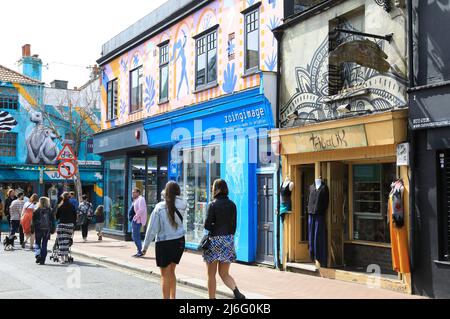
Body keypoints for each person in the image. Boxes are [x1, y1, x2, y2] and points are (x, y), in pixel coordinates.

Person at [142, 181, 187, 299]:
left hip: (164, 243)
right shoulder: (183, 204)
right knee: (172, 271)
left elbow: (152, 228)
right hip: (179, 241)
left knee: (165, 275)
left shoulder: (159, 207)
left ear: (165, 192)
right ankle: (173, 297)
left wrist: (145, 246)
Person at [203, 179, 246, 299]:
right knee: (224, 273)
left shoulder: (213, 204)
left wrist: (214, 226)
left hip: (214, 241)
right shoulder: (232, 204)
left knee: (211, 275)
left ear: (216, 189)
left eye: (213, 187)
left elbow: (207, 225)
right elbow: (234, 226)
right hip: (228, 240)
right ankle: (237, 293)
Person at [32, 197, 55, 265]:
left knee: (37, 243)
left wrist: (32, 228)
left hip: (38, 229)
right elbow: (52, 221)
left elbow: (33, 221)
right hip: (47, 229)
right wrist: (53, 229)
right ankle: (43, 260)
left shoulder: (36, 210)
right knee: (44, 244)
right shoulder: (50, 210)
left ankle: (38, 255)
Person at [56, 192, 77, 264]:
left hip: (62, 225)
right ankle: (66, 256)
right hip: (70, 225)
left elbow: (57, 216)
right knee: (67, 241)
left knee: (61, 242)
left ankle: (61, 257)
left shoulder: (60, 206)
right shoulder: (72, 206)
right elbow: (75, 216)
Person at [129, 188, 147, 258]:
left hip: (137, 221)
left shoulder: (141, 199)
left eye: (134, 192)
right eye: (132, 192)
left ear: (138, 193)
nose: (132, 194)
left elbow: (141, 209)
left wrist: (135, 218)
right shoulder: (136, 200)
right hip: (135, 221)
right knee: (134, 236)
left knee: (135, 237)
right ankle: (139, 251)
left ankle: (140, 251)